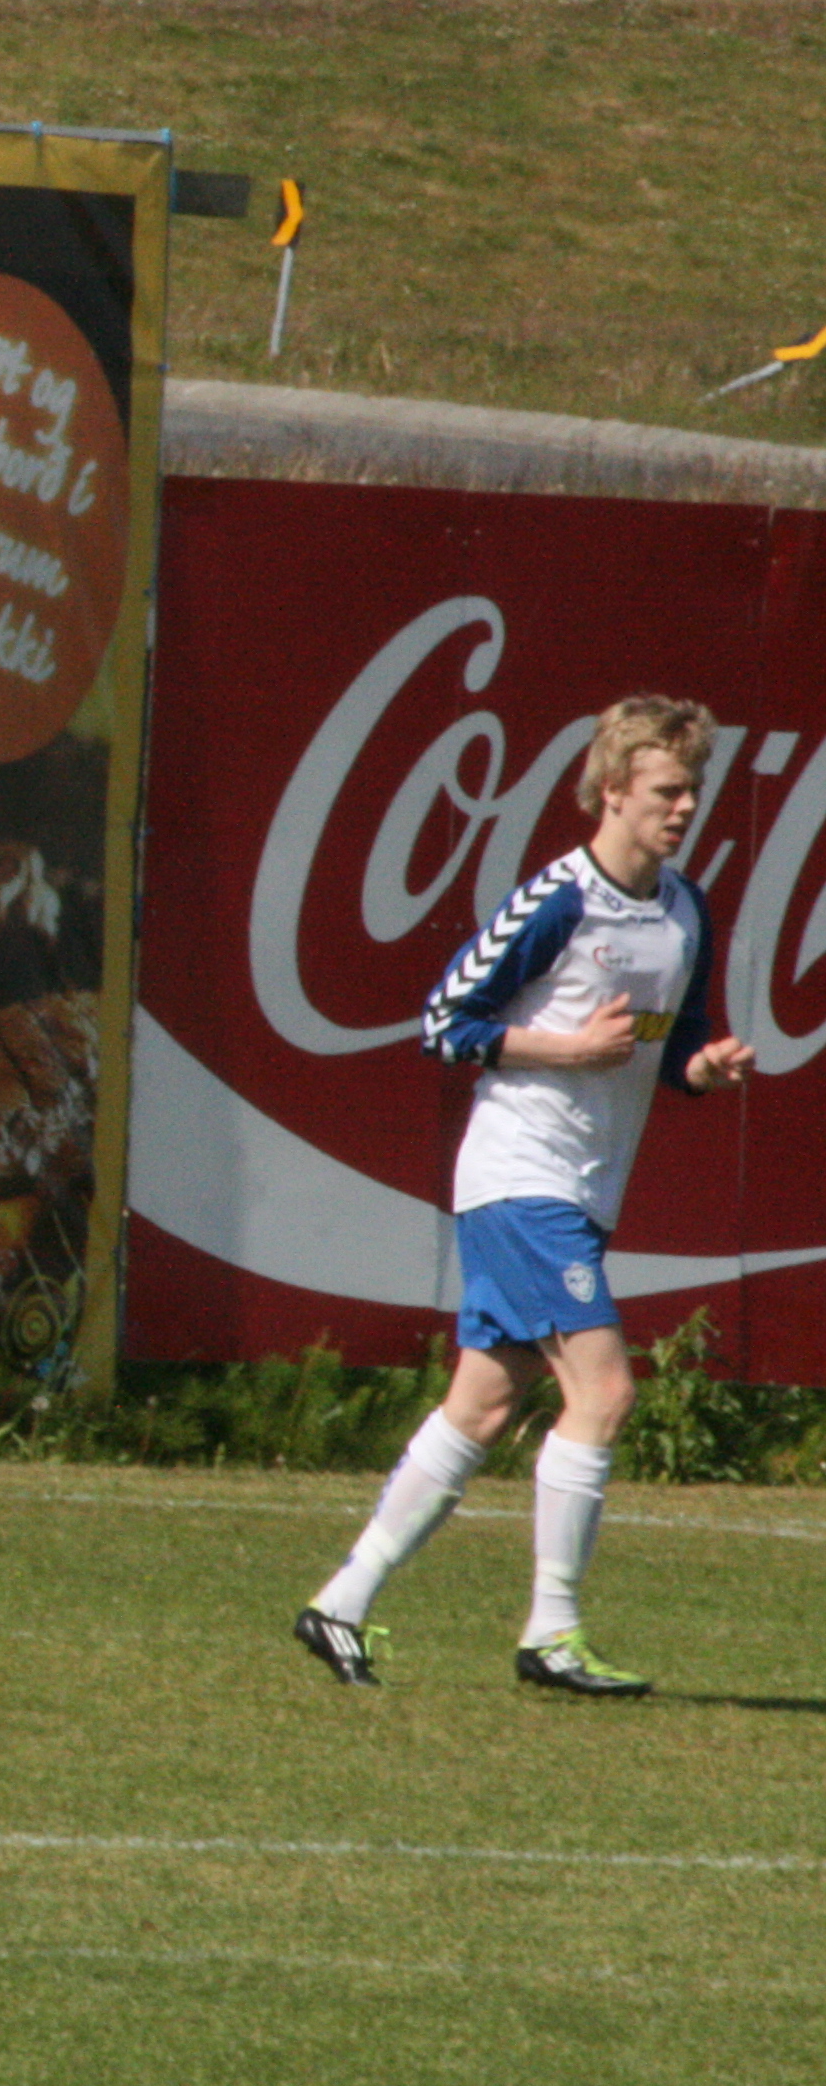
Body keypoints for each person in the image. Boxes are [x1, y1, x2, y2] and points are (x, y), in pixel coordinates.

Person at [293, 694, 755, 1696]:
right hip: (518, 1175)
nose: (685, 807)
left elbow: (675, 1042)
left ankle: (339, 1603)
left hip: (583, 1190)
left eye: (693, 789)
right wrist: (566, 1048)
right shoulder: (558, 900)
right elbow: (444, 1021)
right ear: (613, 790)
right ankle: (552, 1631)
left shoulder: (686, 909)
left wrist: (702, 1067)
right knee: (605, 1392)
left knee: (484, 1405)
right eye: (667, 790)